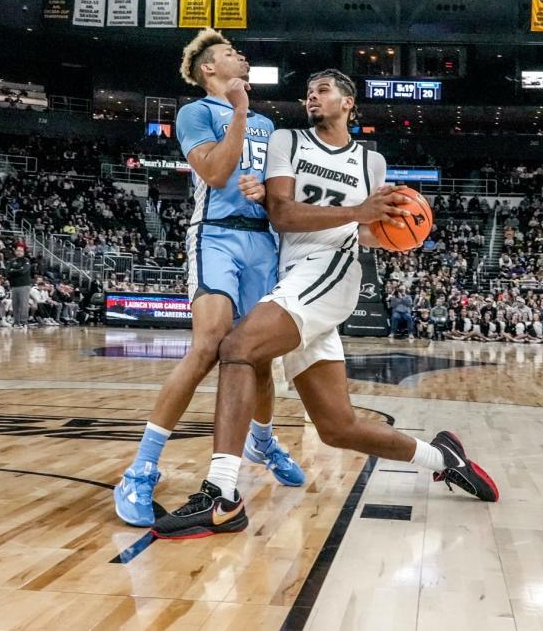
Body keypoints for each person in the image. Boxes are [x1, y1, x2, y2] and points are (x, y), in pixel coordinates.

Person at [152, 69, 497, 540]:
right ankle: (444, 456)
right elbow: (283, 213)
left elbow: (365, 232)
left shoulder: (371, 162)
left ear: (348, 102)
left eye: (324, 90)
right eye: (309, 91)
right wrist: (360, 214)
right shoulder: (287, 141)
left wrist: (400, 234)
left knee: (237, 348)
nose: (312, 96)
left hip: (330, 270)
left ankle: (222, 496)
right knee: (338, 428)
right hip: (291, 274)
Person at [114, 29, 304, 527]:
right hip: (216, 235)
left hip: (264, 240)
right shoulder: (196, 113)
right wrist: (239, 112)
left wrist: (265, 191)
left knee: (257, 355)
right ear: (208, 70)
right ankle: (140, 469)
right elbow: (217, 174)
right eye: (228, 53)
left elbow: (282, 191)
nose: (240, 55)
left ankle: (262, 443)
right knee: (208, 346)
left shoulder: (271, 125)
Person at [5, 243, 33, 328]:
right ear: (15, 251)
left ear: (24, 252)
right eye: (17, 250)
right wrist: (16, 270)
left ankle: (24, 322)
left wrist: (13, 270)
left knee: (23, 304)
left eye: (21, 251)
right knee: (15, 304)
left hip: (24, 285)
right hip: (14, 285)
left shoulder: (26, 260)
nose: (19, 252)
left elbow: (23, 271)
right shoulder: (11, 261)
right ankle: (16, 322)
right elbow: (7, 272)